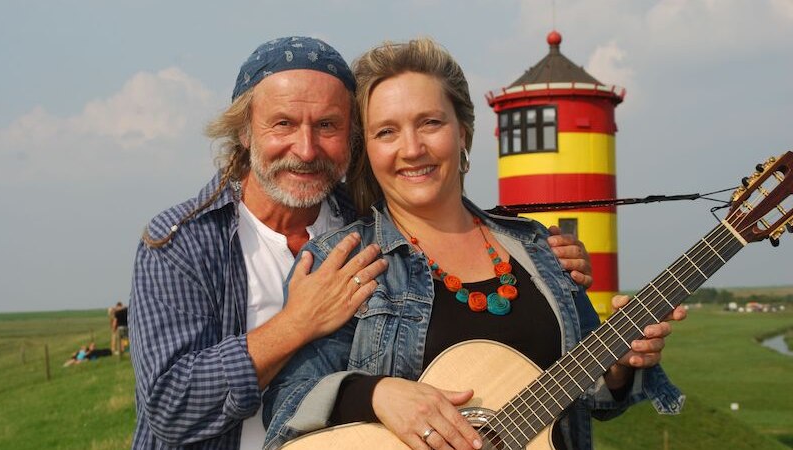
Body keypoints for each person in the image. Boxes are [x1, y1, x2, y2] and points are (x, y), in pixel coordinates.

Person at [128, 36, 592, 450]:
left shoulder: (363, 222)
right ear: (245, 132)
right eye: (283, 124)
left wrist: (531, 255)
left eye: (327, 126)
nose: (306, 149)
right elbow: (170, 406)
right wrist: (297, 323)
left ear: (352, 140)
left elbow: (434, 199)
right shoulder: (179, 242)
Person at [263, 38, 686, 450]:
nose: (412, 149)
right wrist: (377, 394)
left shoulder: (540, 248)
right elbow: (286, 408)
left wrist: (618, 369)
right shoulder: (344, 260)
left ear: (462, 133)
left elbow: (592, 395)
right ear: (367, 151)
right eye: (386, 132)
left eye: (430, 122)